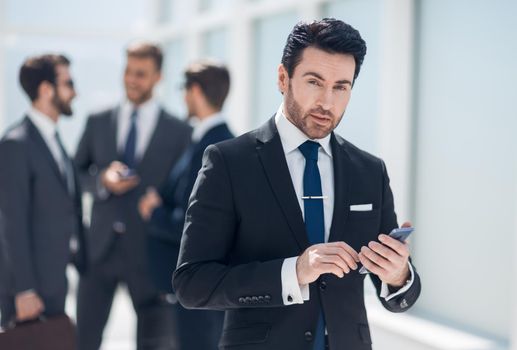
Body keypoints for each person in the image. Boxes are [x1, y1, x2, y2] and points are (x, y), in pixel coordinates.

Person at [172, 18, 422, 350]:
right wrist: (293, 272)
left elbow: (395, 296)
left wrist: (398, 275)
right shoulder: (228, 162)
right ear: (282, 78)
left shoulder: (369, 171)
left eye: (341, 87)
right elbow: (192, 284)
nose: (327, 102)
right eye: (314, 82)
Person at [75, 42, 191, 350]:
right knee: (83, 340)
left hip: (149, 253)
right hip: (99, 252)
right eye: (128, 71)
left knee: (155, 344)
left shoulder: (179, 131)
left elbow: (187, 192)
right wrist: (101, 180)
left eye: (141, 73)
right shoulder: (97, 121)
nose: (131, 79)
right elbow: (75, 175)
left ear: (158, 77)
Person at [139, 61, 232, 349]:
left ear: (195, 91)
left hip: (198, 289)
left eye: (184, 89)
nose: (182, 97)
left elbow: (192, 225)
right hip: (199, 289)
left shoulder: (212, 148)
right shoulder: (213, 140)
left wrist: (153, 211)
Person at [0, 54, 87, 328]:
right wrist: (24, 289)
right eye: (68, 83)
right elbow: (11, 222)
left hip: (54, 281)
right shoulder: (16, 144)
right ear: (46, 89)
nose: (74, 92)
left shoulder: (54, 140)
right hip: (30, 290)